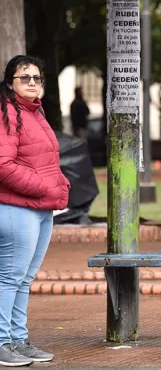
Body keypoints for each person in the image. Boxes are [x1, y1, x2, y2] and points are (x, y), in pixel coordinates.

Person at [0, 55, 70, 366]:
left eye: (36, 78)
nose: (32, 83)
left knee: (25, 278)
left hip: (41, 208)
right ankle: (1, 343)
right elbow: (3, 165)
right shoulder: (7, 113)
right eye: (24, 77)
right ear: (10, 83)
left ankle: (18, 340)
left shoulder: (35, 112)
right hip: (17, 207)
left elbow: (45, 159)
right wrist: (44, 187)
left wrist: (61, 184)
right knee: (10, 277)